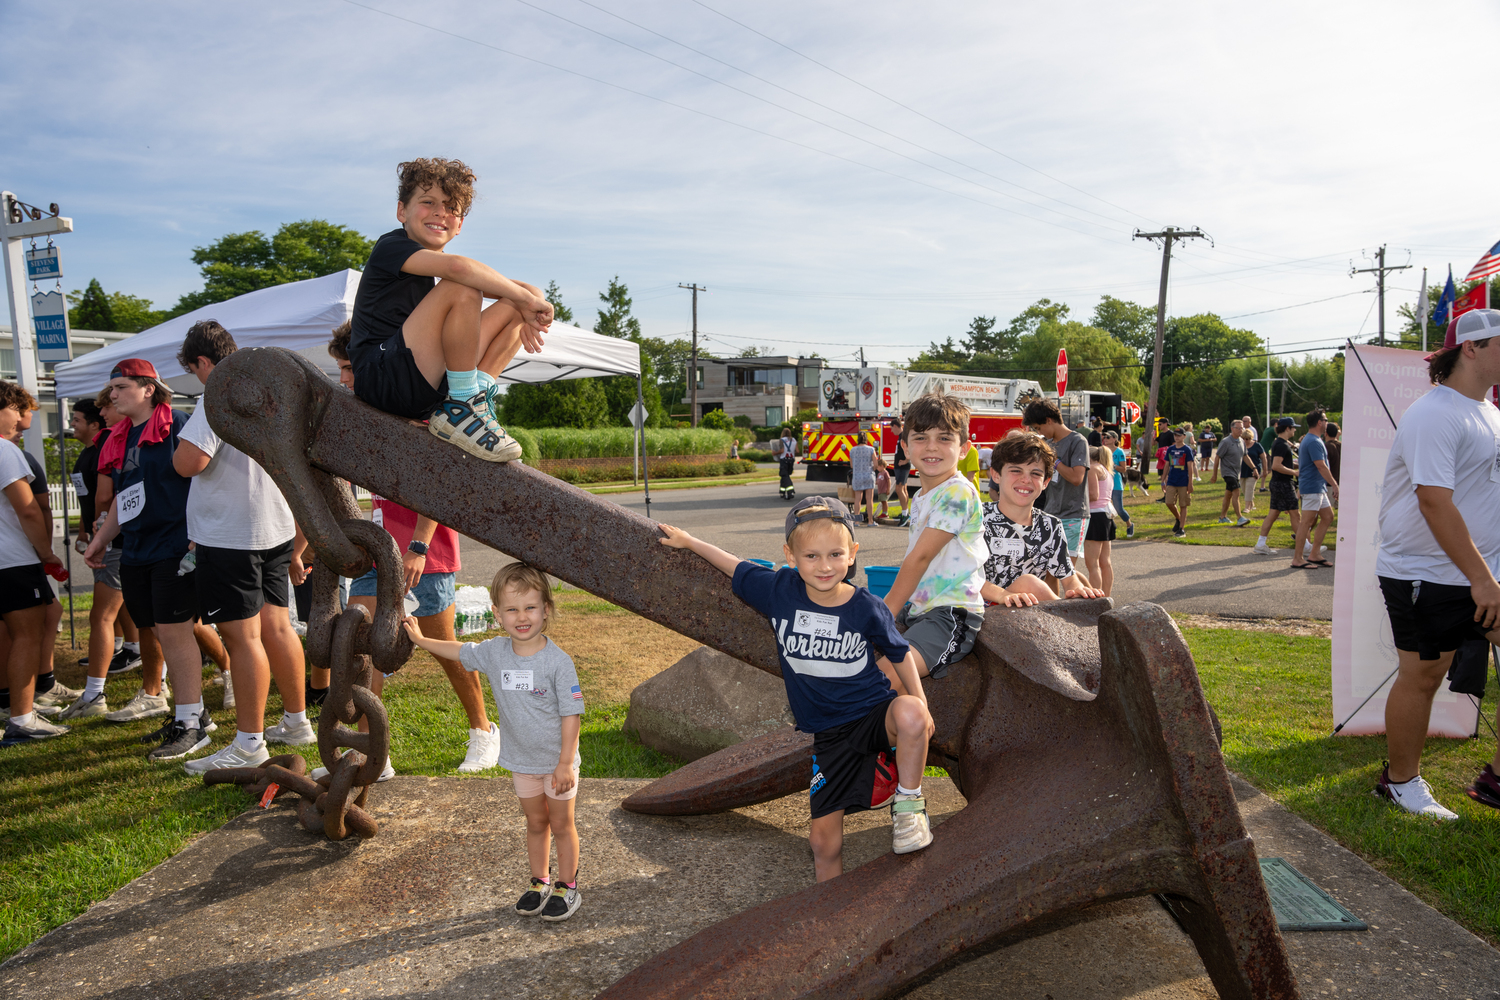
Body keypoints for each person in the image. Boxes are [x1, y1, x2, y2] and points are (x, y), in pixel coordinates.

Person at [658, 496, 935, 878]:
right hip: (830, 734)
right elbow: (733, 565)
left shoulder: (866, 607)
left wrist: (921, 703)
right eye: (812, 556)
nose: (825, 566)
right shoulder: (779, 591)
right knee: (823, 842)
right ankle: (827, 906)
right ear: (790, 555)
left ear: (853, 553)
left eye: (836, 554)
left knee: (911, 713)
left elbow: (899, 652)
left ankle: (908, 807)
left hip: (872, 713)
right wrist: (690, 541)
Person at [328, 321, 500, 775]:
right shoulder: (373, 414)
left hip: (425, 555)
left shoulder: (422, 407)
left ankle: (482, 730)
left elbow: (439, 484)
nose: (344, 379)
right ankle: (370, 751)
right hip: (379, 550)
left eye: (348, 368)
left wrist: (420, 546)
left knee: (445, 650)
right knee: (364, 647)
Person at [167, 321, 316, 773]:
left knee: (242, 637)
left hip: (232, 535)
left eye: (194, 370)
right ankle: (296, 721)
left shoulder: (217, 396)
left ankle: (249, 743)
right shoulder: (269, 393)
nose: (197, 378)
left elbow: (188, 461)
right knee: (278, 627)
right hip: (273, 527)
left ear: (204, 363)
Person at [1371, 308, 1500, 819]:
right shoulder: (1434, 413)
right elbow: (1433, 501)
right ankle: (1401, 782)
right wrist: (1482, 579)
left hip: (1478, 572)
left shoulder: (1490, 413)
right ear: (1471, 347)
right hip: (1425, 573)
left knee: (1425, 672)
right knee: (1423, 675)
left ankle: (1495, 780)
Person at [404, 563, 585, 918]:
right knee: (535, 823)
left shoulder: (558, 663)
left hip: (557, 764)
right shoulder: (494, 653)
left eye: (530, 608)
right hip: (521, 762)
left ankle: (568, 886)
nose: (522, 617)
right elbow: (459, 651)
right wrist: (421, 640)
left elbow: (571, 715)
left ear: (546, 609)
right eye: (512, 609)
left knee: (562, 825)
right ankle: (539, 880)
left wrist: (565, 762)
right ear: (497, 613)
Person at [349, 158, 551, 462]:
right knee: (464, 286)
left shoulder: (437, 273)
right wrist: (528, 300)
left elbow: (516, 291)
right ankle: (463, 401)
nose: (440, 212)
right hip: (380, 376)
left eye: (451, 207)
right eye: (428, 202)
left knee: (514, 305)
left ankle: (474, 401)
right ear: (402, 211)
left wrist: (532, 300)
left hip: (424, 383)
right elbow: (459, 268)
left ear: (460, 225)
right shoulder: (391, 247)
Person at [84, 359, 214, 761]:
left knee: (175, 632)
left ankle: (190, 724)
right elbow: (125, 498)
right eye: (112, 389)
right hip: (137, 549)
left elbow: (205, 477)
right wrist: (102, 539)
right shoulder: (119, 435)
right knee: (156, 631)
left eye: (121, 387)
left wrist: (199, 536)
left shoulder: (178, 423)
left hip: (175, 545)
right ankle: (192, 713)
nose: (113, 396)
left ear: (148, 389)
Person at [883, 393, 988, 683]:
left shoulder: (958, 492)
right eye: (920, 438)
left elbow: (921, 557)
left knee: (884, 676)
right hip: (920, 607)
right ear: (904, 446)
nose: (932, 447)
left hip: (949, 613)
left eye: (944, 438)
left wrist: (886, 610)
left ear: (964, 448)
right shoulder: (921, 496)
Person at [0, 386, 67, 744]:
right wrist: (46, 552)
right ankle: (23, 718)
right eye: (17, 410)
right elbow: (27, 508)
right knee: (27, 634)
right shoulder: (5, 450)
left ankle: (14, 707)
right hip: (12, 558)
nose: (20, 420)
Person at [978, 432, 1103, 605]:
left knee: (1082, 593)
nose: (1026, 479)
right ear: (996, 475)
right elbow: (960, 575)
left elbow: (1069, 578)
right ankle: (1065, 622)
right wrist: (1002, 595)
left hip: (1027, 611)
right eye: (1016, 470)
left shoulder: (1050, 526)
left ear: (1046, 482)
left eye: (1036, 474)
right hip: (983, 612)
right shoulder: (976, 519)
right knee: (1029, 583)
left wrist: (1077, 590)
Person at [1024, 400, 1090, 580]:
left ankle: (1093, 601)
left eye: (1039, 427)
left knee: (1066, 572)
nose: (1039, 433)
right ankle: (1052, 607)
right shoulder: (1046, 443)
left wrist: (1055, 460)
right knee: (1047, 572)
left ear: (1049, 420)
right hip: (1050, 513)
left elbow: (1077, 478)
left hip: (1073, 514)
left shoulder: (1078, 441)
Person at [1291, 410, 1337, 570]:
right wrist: (1335, 485)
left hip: (1318, 487)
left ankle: (1314, 553)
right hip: (1313, 488)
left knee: (1328, 516)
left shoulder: (1313, 440)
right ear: (1319, 422)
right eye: (1325, 420)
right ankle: (1297, 558)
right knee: (1306, 522)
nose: (1327, 423)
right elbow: (1321, 466)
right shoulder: (1313, 442)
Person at [1253, 417, 1300, 556]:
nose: (1295, 429)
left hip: (1279, 483)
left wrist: (1296, 466)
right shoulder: (1281, 444)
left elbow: (1282, 463)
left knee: (1273, 514)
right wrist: (1294, 472)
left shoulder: (1280, 443)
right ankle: (1306, 545)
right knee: (1295, 514)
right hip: (1283, 484)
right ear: (1287, 428)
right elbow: (1276, 466)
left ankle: (1260, 544)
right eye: (1293, 427)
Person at [1083, 446, 1116, 596]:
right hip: (1106, 515)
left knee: (1092, 563)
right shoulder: (1105, 470)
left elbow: (1093, 495)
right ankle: (1106, 596)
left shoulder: (1092, 469)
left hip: (1095, 515)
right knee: (1105, 562)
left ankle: (1096, 598)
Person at [1211, 420, 1252, 528]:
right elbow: (1217, 457)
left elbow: (1245, 456)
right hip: (1228, 473)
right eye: (1238, 428)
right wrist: (1214, 474)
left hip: (1236, 473)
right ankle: (1239, 518)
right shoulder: (1226, 442)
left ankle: (1222, 517)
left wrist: (1254, 468)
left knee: (1228, 495)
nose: (1241, 430)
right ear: (1232, 429)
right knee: (1236, 492)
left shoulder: (1242, 441)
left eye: (1242, 428)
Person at [1163, 428, 1196, 537]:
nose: (1176, 437)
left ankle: (1181, 529)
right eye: (1175, 435)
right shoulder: (1170, 449)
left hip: (1183, 481)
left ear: (1184, 436)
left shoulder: (1187, 449)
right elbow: (1167, 464)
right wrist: (1163, 479)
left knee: (1183, 505)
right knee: (1169, 502)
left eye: (1179, 435)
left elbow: (1190, 466)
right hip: (1172, 480)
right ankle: (1178, 518)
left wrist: (1190, 482)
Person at [1104, 430, 1134, 538]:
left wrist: (1113, 466)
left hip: (1116, 484)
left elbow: (1123, 469)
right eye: (1105, 437)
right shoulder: (1103, 451)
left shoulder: (1119, 452)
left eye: (1108, 437)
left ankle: (1129, 525)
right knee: (1104, 508)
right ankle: (1110, 528)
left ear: (1114, 439)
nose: (1105, 439)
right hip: (1104, 483)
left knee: (1118, 509)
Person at [849, 431, 877, 525]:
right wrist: (872, 468)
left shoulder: (852, 450)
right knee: (869, 499)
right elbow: (876, 464)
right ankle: (870, 521)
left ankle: (856, 521)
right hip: (868, 475)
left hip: (857, 476)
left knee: (858, 499)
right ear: (866, 439)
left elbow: (852, 465)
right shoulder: (871, 449)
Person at [889, 417, 911, 524]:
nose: (891, 430)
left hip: (903, 467)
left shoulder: (904, 436)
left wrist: (905, 461)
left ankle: (905, 514)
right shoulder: (900, 436)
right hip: (899, 467)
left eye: (891, 428)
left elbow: (910, 449)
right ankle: (905, 512)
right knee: (903, 489)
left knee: (899, 489)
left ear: (895, 426)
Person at [1241, 426, 1265, 514]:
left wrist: (1265, 470)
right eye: (1243, 438)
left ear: (1251, 438)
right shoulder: (1240, 445)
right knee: (1244, 489)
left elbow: (1264, 458)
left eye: (1247, 439)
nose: (1245, 441)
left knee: (1249, 488)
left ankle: (1247, 507)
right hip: (1242, 471)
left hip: (1253, 471)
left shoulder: (1257, 446)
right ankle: (1252, 503)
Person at [774, 427, 797, 501]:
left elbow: (782, 450)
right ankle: (782, 492)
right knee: (785, 475)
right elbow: (797, 450)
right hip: (791, 460)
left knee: (784, 475)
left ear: (783, 433)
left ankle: (791, 491)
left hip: (784, 460)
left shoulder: (782, 440)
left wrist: (775, 453)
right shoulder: (794, 440)